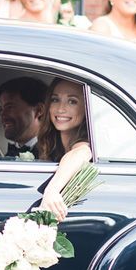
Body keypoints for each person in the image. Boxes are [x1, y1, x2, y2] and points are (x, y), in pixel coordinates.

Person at [35, 79, 93, 222]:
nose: (60, 109)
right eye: (55, 100)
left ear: (86, 108)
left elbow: (82, 152)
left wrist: (52, 191)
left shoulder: (83, 146)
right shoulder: (50, 145)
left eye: (72, 101)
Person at [0, 77, 47, 158]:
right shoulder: (9, 155)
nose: (2, 115)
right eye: (0, 109)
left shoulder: (55, 154)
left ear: (39, 110)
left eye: (10, 107)